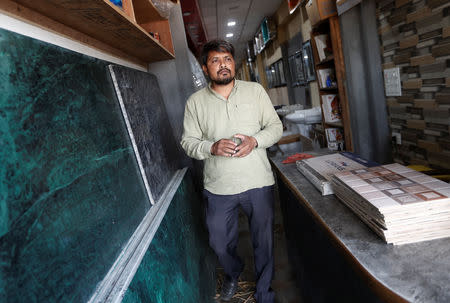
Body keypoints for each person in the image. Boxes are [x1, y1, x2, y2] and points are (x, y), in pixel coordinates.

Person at [180, 39, 283, 303]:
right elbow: (188, 142)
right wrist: (211, 147)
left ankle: (264, 294)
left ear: (233, 63)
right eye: (215, 60)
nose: (223, 65)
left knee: (264, 243)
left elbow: (275, 127)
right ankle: (234, 272)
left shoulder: (255, 91)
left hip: (258, 181)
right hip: (219, 187)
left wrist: (255, 141)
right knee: (218, 242)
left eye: (227, 59)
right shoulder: (195, 102)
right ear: (205, 69)